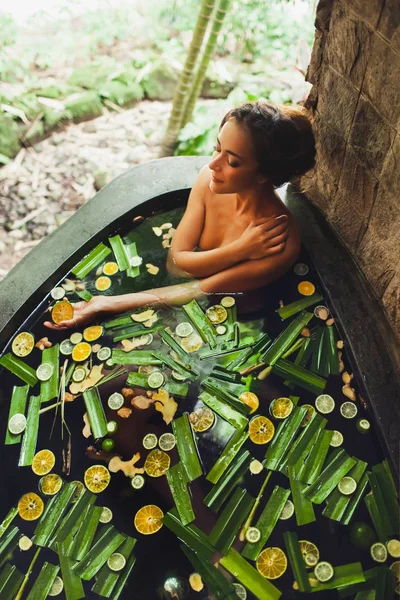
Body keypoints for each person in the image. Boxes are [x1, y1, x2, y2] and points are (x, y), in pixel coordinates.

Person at [44, 100, 316, 331]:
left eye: (232, 161)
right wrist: (240, 249)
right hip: (182, 291)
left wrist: (106, 305)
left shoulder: (279, 242)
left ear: (263, 175)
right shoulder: (209, 182)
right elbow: (175, 264)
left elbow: (200, 289)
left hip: (234, 318)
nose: (213, 164)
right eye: (217, 147)